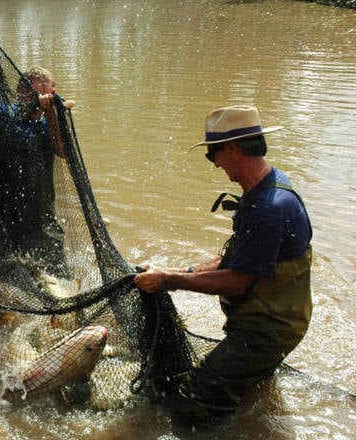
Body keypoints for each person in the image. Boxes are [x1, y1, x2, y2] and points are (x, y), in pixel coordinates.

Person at [133, 105, 313, 426]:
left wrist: (168, 281)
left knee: (190, 402)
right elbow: (235, 260)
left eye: (213, 154)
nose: (214, 163)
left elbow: (237, 281)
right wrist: (179, 272)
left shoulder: (269, 208)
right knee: (245, 392)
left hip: (267, 331)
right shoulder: (264, 189)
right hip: (271, 320)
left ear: (233, 148)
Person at [0, 33, 69, 277]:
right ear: (17, 89)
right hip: (1, 212)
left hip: (40, 215)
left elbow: (62, 151)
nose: (27, 98)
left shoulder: (49, 121)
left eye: (35, 94)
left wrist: (51, 114)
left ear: (49, 93)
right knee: (2, 272)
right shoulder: (3, 113)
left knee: (57, 276)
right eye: (24, 91)